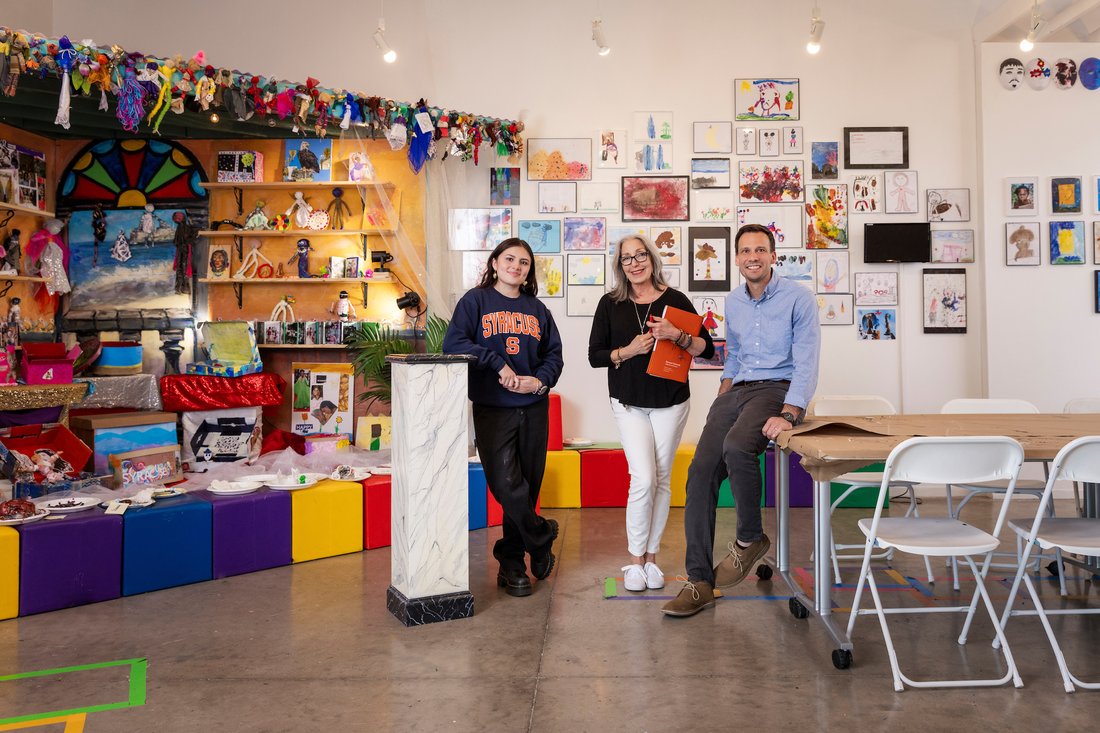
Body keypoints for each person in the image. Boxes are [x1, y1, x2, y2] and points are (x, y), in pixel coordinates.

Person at [662, 223, 820, 617]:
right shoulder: (733, 301)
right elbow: (733, 355)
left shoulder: (798, 299)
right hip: (737, 390)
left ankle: (750, 539)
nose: (753, 256)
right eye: (746, 250)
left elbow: (806, 361)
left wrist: (790, 412)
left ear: (772, 255)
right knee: (698, 474)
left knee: (736, 446)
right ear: (736, 258)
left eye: (760, 250)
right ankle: (699, 580)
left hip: (776, 389)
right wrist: (723, 391)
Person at [589, 235, 714, 592]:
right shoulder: (610, 304)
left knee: (660, 477)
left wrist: (677, 334)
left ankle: (652, 558)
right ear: (620, 266)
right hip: (628, 403)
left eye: (640, 255)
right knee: (643, 478)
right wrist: (626, 351)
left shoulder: (676, 301)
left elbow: (706, 349)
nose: (635, 263)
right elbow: (595, 355)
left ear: (651, 258)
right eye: (627, 259)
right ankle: (634, 560)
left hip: (672, 402)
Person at [443, 237, 564, 598]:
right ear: (495, 263)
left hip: (533, 408)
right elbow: (454, 343)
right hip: (493, 406)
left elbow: (554, 356)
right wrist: (496, 362)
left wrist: (539, 381)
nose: (516, 266)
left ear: (528, 271)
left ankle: (512, 566)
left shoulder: (537, 309)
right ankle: (541, 538)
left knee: (527, 486)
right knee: (506, 485)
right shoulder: (475, 301)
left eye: (524, 263)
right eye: (509, 259)